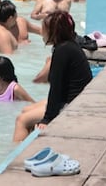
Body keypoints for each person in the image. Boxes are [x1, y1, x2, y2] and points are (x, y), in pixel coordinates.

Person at [13, 11, 92, 142]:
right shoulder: (68, 45)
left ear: (53, 31)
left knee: (21, 120)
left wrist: (47, 119)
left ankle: (15, 156)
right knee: (26, 109)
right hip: (74, 99)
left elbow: (56, 88)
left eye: (44, 29)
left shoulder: (62, 51)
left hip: (72, 104)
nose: (41, 32)